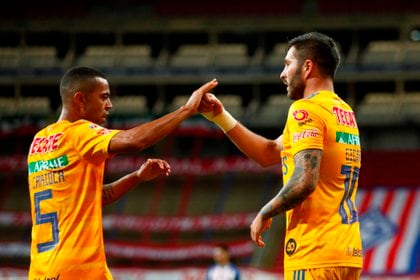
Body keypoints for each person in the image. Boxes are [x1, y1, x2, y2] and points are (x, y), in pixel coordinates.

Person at [27, 66, 218, 279]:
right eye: (103, 97)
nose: (109, 105)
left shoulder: (39, 142)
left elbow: (92, 197)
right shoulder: (78, 133)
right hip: (79, 269)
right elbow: (135, 141)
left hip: (41, 270)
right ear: (80, 100)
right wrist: (186, 110)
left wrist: (136, 177)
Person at [200, 32, 363, 279]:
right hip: (346, 252)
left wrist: (265, 212)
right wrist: (220, 117)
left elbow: (305, 181)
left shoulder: (305, 110)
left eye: (288, 64)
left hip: (313, 253)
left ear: (307, 67)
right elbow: (269, 153)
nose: (282, 73)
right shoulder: (343, 112)